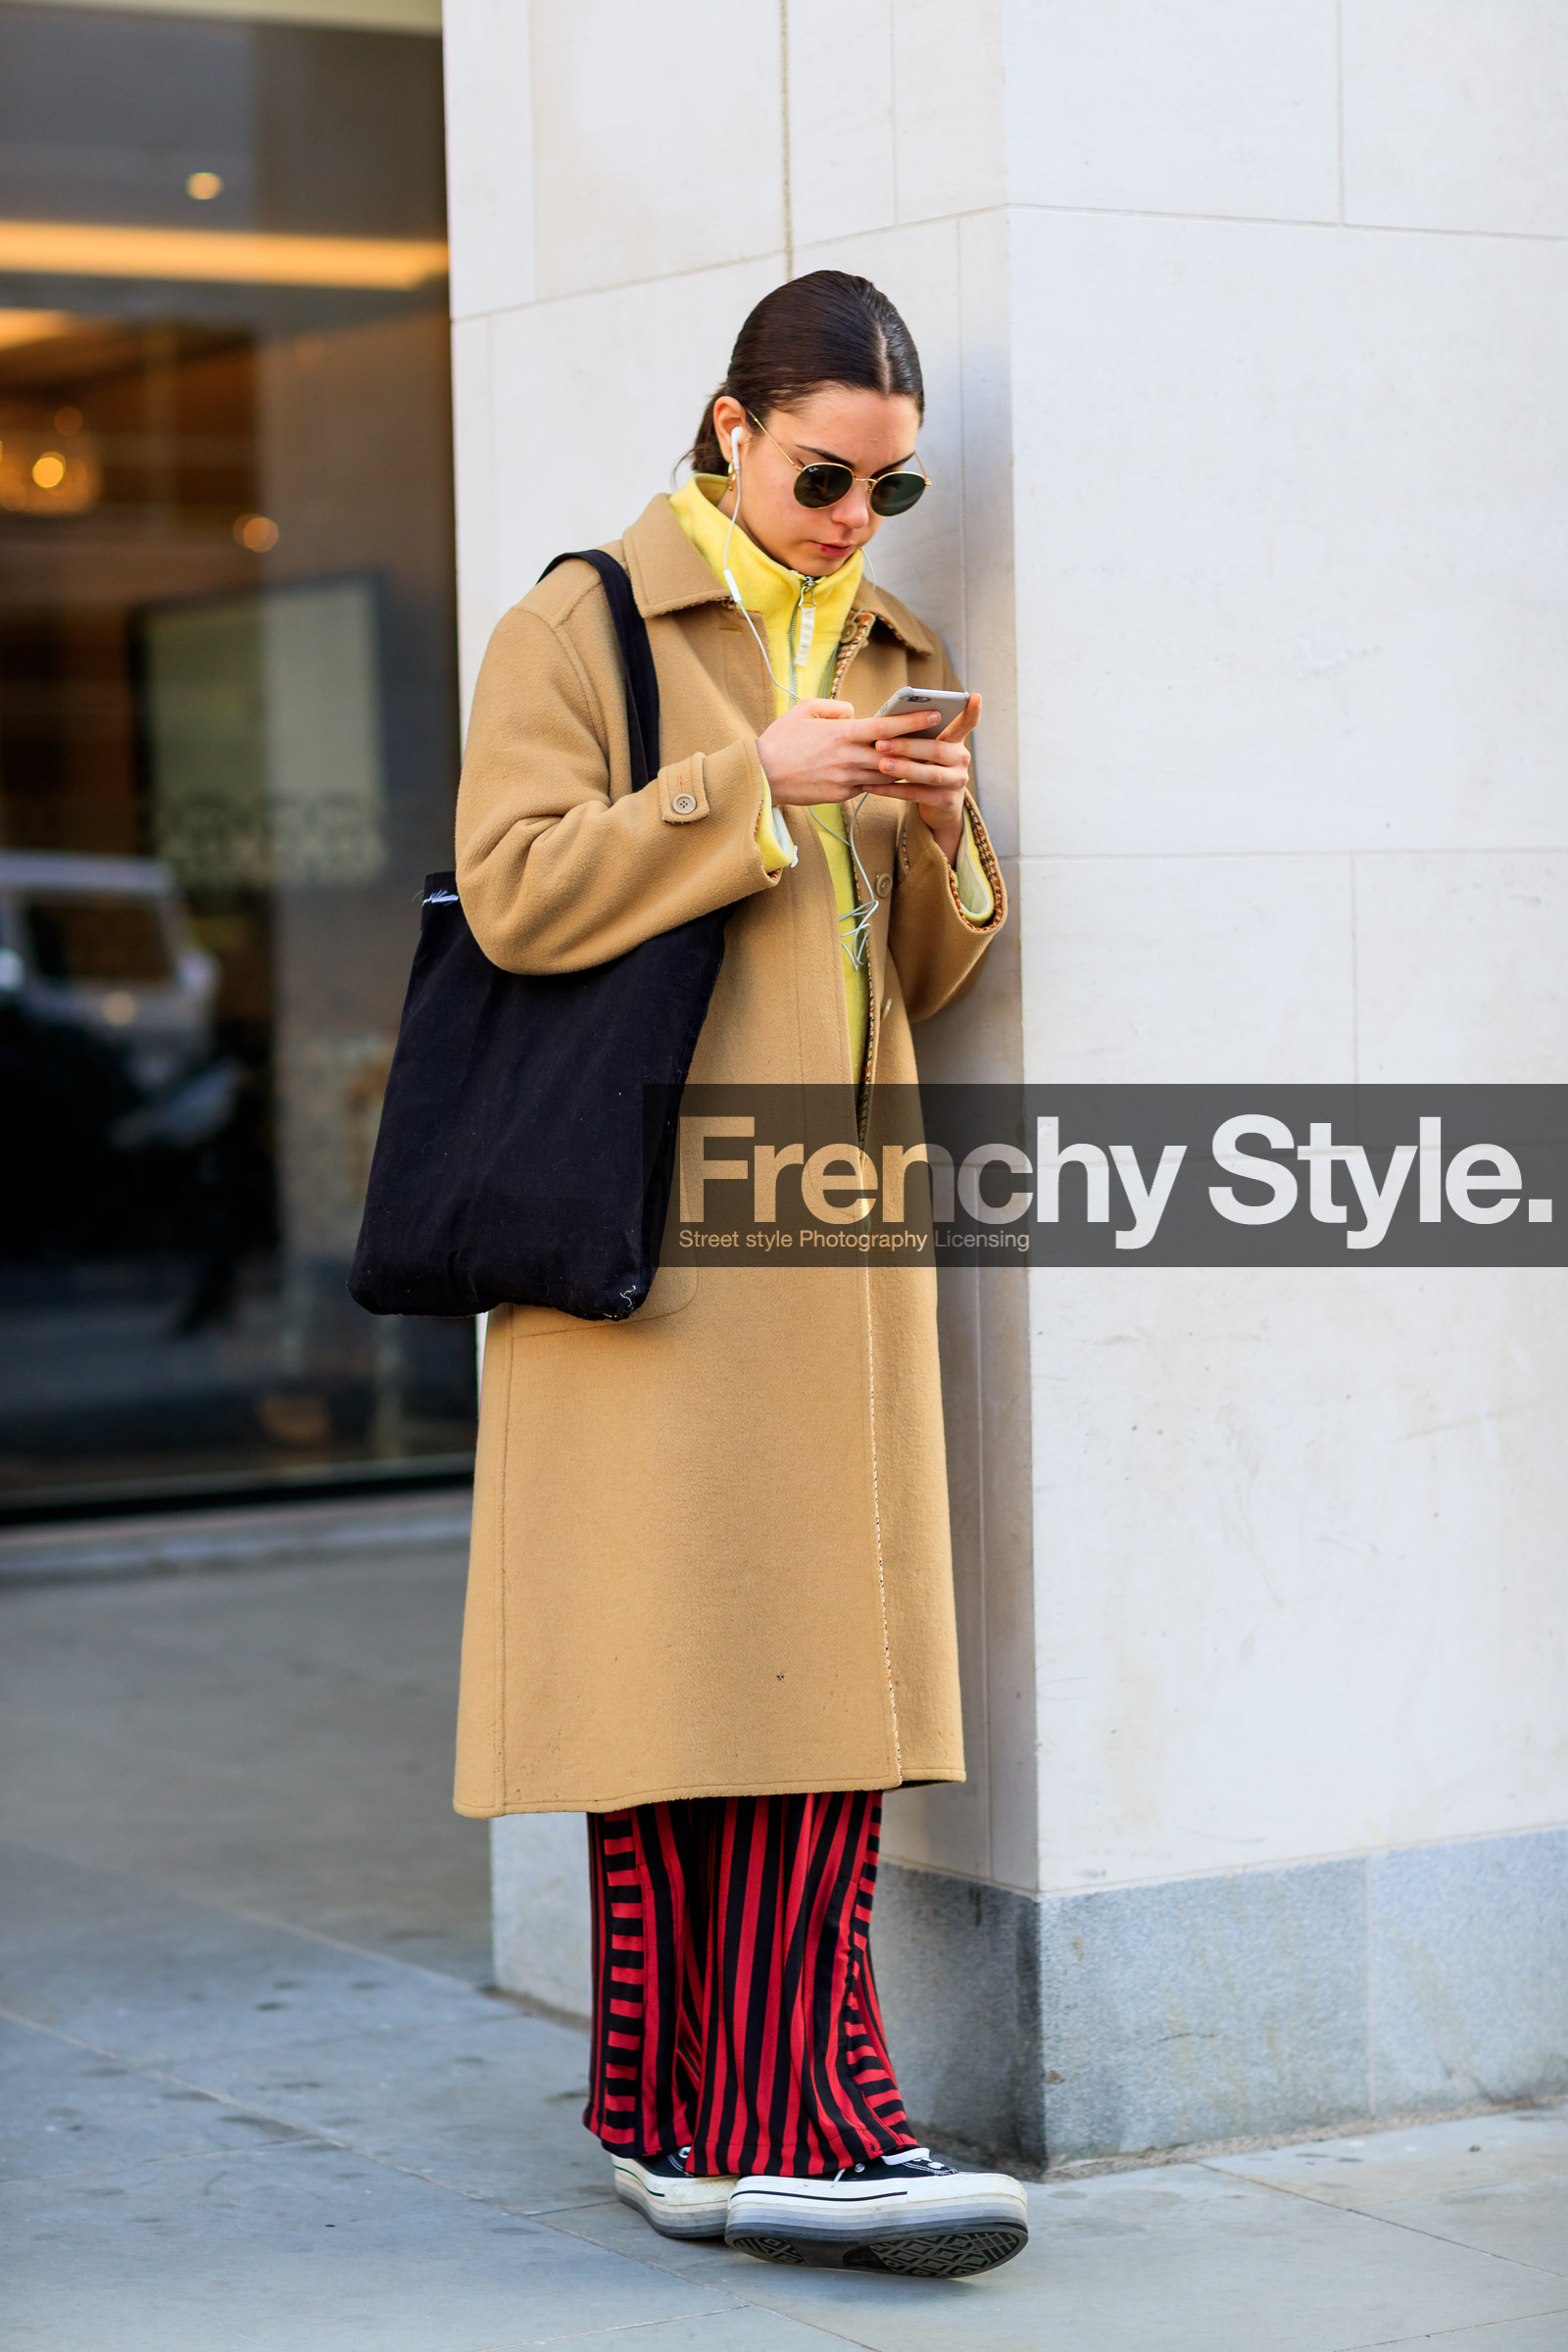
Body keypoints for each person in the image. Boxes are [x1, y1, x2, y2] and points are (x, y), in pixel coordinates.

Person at [452, 272, 1026, 2278]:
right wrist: (744, 785)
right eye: (820, 476)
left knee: (806, 1672)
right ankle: (786, 2121)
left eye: (890, 485)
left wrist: (942, 840)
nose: (854, 519)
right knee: (690, 1678)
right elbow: (515, 891)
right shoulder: (580, 627)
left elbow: (920, 976)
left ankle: (682, 2123)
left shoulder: (888, 644)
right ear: (725, 427)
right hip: (653, 1240)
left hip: (835, 1246)